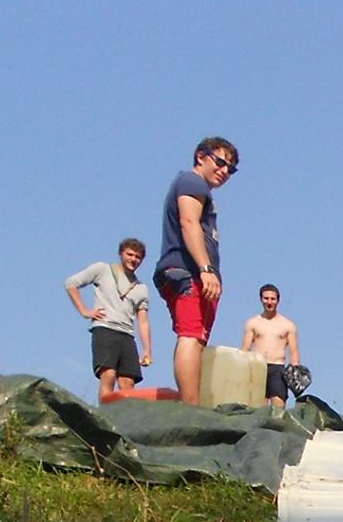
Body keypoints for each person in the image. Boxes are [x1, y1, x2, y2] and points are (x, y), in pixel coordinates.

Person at [154, 136, 239, 405]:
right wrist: (206, 269)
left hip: (196, 275)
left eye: (231, 169)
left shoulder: (202, 190)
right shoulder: (192, 182)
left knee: (197, 338)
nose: (225, 171)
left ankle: (191, 402)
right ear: (201, 157)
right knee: (190, 335)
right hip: (187, 272)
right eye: (220, 162)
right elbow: (189, 222)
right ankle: (190, 409)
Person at [64, 238, 154, 402]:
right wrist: (85, 311)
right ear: (121, 253)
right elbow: (71, 283)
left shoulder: (141, 288)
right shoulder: (103, 269)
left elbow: (143, 320)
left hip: (127, 334)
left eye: (137, 257)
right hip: (105, 329)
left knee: (128, 382)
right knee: (108, 375)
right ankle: (105, 416)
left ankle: (126, 420)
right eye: (130, 254)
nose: (133, 259)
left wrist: (147, 349)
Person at [240, 284, 300, 406]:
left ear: (278, 300)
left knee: (278, 408)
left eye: (272, 299)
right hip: (257, 367)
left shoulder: (287, 325)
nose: (269, 302)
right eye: (266, 298)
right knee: (258, 408)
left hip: (277, 368)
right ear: (261, 299)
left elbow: (294, 353)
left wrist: (295, 372)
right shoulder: (253, 323)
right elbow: (245, 350)